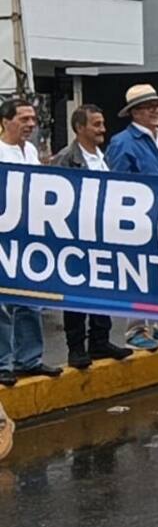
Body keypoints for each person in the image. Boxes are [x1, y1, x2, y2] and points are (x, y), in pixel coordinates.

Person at [105, 84, 158, 351]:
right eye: (148, 106)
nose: (156, 110)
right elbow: (117, 185)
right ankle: (136, 328)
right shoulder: (123, 143)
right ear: (135, 113)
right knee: (139, 272)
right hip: (138, 220)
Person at [52, 105, 133, 369]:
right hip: (76, 236)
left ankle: (100, 340)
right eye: (96, 124)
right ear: (80, 128)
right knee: (75, 291)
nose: (102, 129)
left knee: (102, 288)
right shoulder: (67, 158)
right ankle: (76, 347)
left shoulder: (102, 157)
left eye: (102, 123)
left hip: (102, 234)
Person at [0, 99, 61, 387]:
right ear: (6, 121)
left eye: (32, 119)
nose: (31, 124)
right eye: (23, 119)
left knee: (30, 300)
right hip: (3, 237)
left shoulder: (31, 151)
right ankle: (3, 362)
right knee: (3, 304)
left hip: (29, 235)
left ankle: (29, 359)